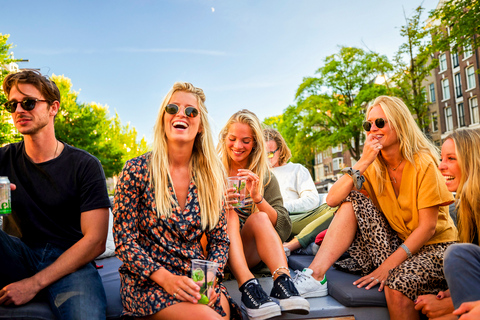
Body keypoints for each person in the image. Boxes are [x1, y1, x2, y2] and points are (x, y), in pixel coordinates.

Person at [292, 96, 457, 320]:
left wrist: (387, 267)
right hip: (399, 244)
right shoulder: (373, 167)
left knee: (396, 284)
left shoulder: (423, 161)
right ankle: (315, 275)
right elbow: (332, 199)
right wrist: (362, 162)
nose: (372, 129)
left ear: (399, 123)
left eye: (380, 123)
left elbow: (427, 228)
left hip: (437, 249)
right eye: (368, 125)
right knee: (353, 199)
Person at [113, 82, 241, 319]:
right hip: (148, 281)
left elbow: (220, 241)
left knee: (223, 316)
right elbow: (124, 240)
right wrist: (167, 280)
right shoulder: (136, 170)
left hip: (196, 280)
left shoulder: (213, 177)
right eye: (172, 109)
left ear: (200, 125)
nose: (181, 114)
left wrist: (209, 280)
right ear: (163, 118)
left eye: (191, 111)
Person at [0, 69, 110, 319]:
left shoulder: (84, 165)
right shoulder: (3, 157)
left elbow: (95, 241)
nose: (19, 110)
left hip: (71, 262)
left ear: (53, 108)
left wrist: (33, 284)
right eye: (12, 105)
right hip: (17, 253)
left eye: (28, 102)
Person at [218, 110, 309, 319]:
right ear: (225, 139)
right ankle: (247, 285)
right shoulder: (211, 173)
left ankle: (283, 283)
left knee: (260, 217)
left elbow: (284, 228)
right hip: (219, 253)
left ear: (255, 143)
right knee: (229, 213)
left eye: (246, 140)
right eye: (232, 139)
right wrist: (219, 204)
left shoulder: (265, 178)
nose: (238, 146)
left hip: (249, 253)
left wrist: (259, 198)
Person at [414, 128, 480, 320]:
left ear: (473, 162)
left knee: (457, 254)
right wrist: (452, 293)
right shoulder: (464, 210)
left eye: (451, 158)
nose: (441, 166)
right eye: (442, 158)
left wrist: (449, 305)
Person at [263, 127, 336, 255]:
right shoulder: (258, 174)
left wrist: (281, 208)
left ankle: (293, 244)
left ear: (280, 150)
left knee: (338, 207)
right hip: (268, 222)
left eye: (269, 154)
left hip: (293, 218)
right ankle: (300, 244)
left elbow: (312, 200)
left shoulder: (297, 170)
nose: (266, 159)